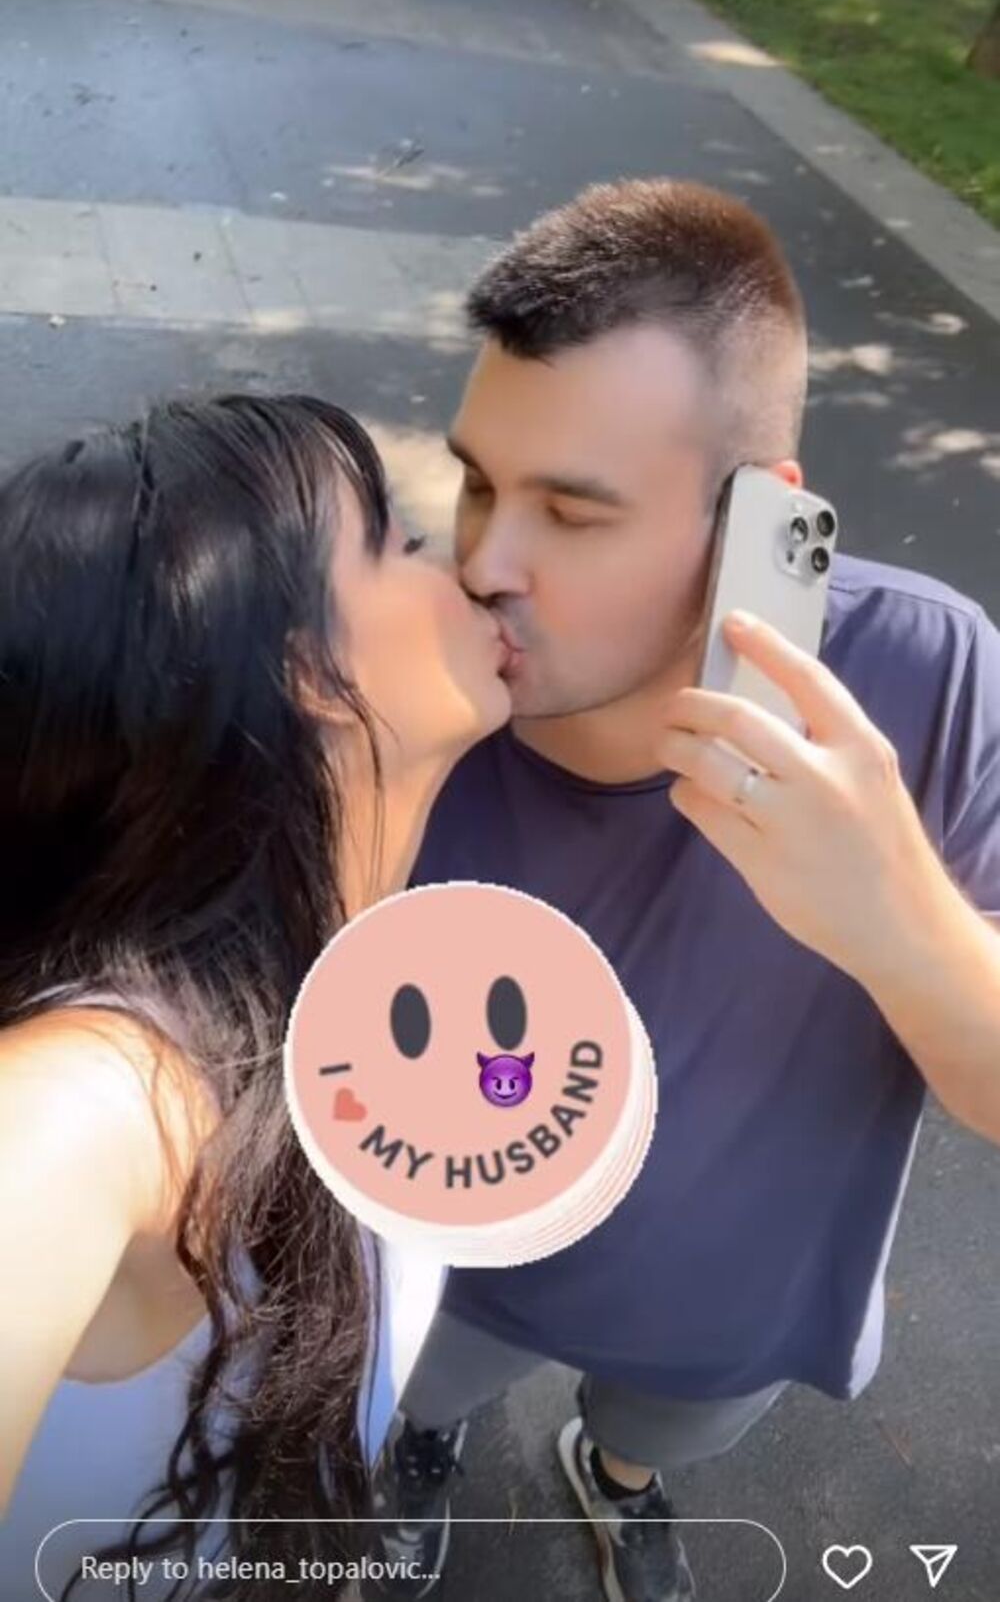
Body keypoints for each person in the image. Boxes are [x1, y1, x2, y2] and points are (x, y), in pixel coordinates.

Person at [365, 180, 1000, 1602]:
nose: (485, 564)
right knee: (417, 1392)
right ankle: (418, 1450)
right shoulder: (411, 685)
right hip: (444, 1271)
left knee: (659, 1433)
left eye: (571, 513)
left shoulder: (926, 678)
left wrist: (896, 917)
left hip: (727, 1310)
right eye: (479, 484)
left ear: (761, 518)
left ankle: (618, 1473)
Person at [0, 394, 511, 1602]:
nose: (477, 564)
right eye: (398, 539)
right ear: (310, 669)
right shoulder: (105, 1094)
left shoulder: (351, 965)